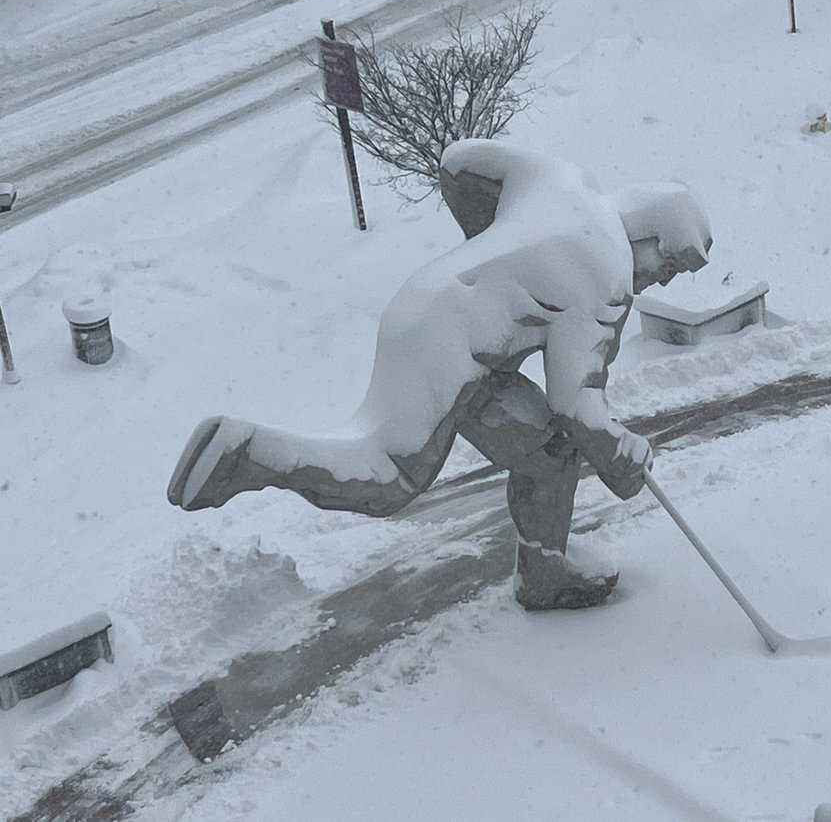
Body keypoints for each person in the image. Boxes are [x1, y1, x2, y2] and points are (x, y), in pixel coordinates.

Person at [168, 139, 712, 609]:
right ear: (650, 238)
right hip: (447, 347)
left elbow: (461, 165)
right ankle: (249, 455)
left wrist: (488, 252)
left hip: (435, 312)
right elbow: (577, 404)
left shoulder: (563, 183)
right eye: (667, 267)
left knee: (548, 456)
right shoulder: (607, 276)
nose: (659, 283)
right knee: (388, 480)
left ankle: (544, 579)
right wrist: (622, 456)